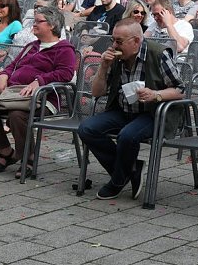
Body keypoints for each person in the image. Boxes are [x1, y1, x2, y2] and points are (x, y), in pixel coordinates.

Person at [78, 18, 185, 199]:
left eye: (119, 41)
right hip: (122, 110)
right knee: (87, 128)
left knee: (127, 136)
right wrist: (103, 67)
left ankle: (118, 180)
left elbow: (180, 90)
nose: (114, 45)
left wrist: (156, 95)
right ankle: (131, 169)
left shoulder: (158, 54)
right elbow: (96, 92)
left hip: (152, 113)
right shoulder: (115, 57)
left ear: (136, 41)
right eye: (113, 40)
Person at [0, 6, 77, 179]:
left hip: (44, 97)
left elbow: (66, 73)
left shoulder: (64, 49)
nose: (34, 24)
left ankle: (28, 156)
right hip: (14, 94)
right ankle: (6, 152)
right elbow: (12, 65)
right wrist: (3, 76)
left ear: (52, 25)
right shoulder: (31, 46)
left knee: (17, 115)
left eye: (39, 21)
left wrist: (39, 81)